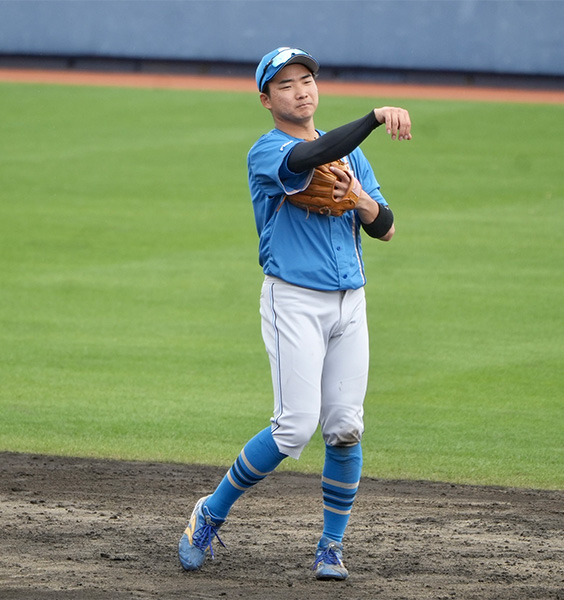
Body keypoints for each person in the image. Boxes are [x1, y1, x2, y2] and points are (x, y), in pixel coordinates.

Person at [178, 47, 412, 581]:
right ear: (266, 99)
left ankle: (330, 547)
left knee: (345, 428)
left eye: (306, 80)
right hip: (294, 301)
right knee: (293, 428)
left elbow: (387, 227)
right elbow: (307, 159)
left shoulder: (353, 160)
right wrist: (373, 119)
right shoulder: (266, 152)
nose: (300, 90)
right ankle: (209, 513)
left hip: (351, 302)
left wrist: (359, 199)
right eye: (285, 85)